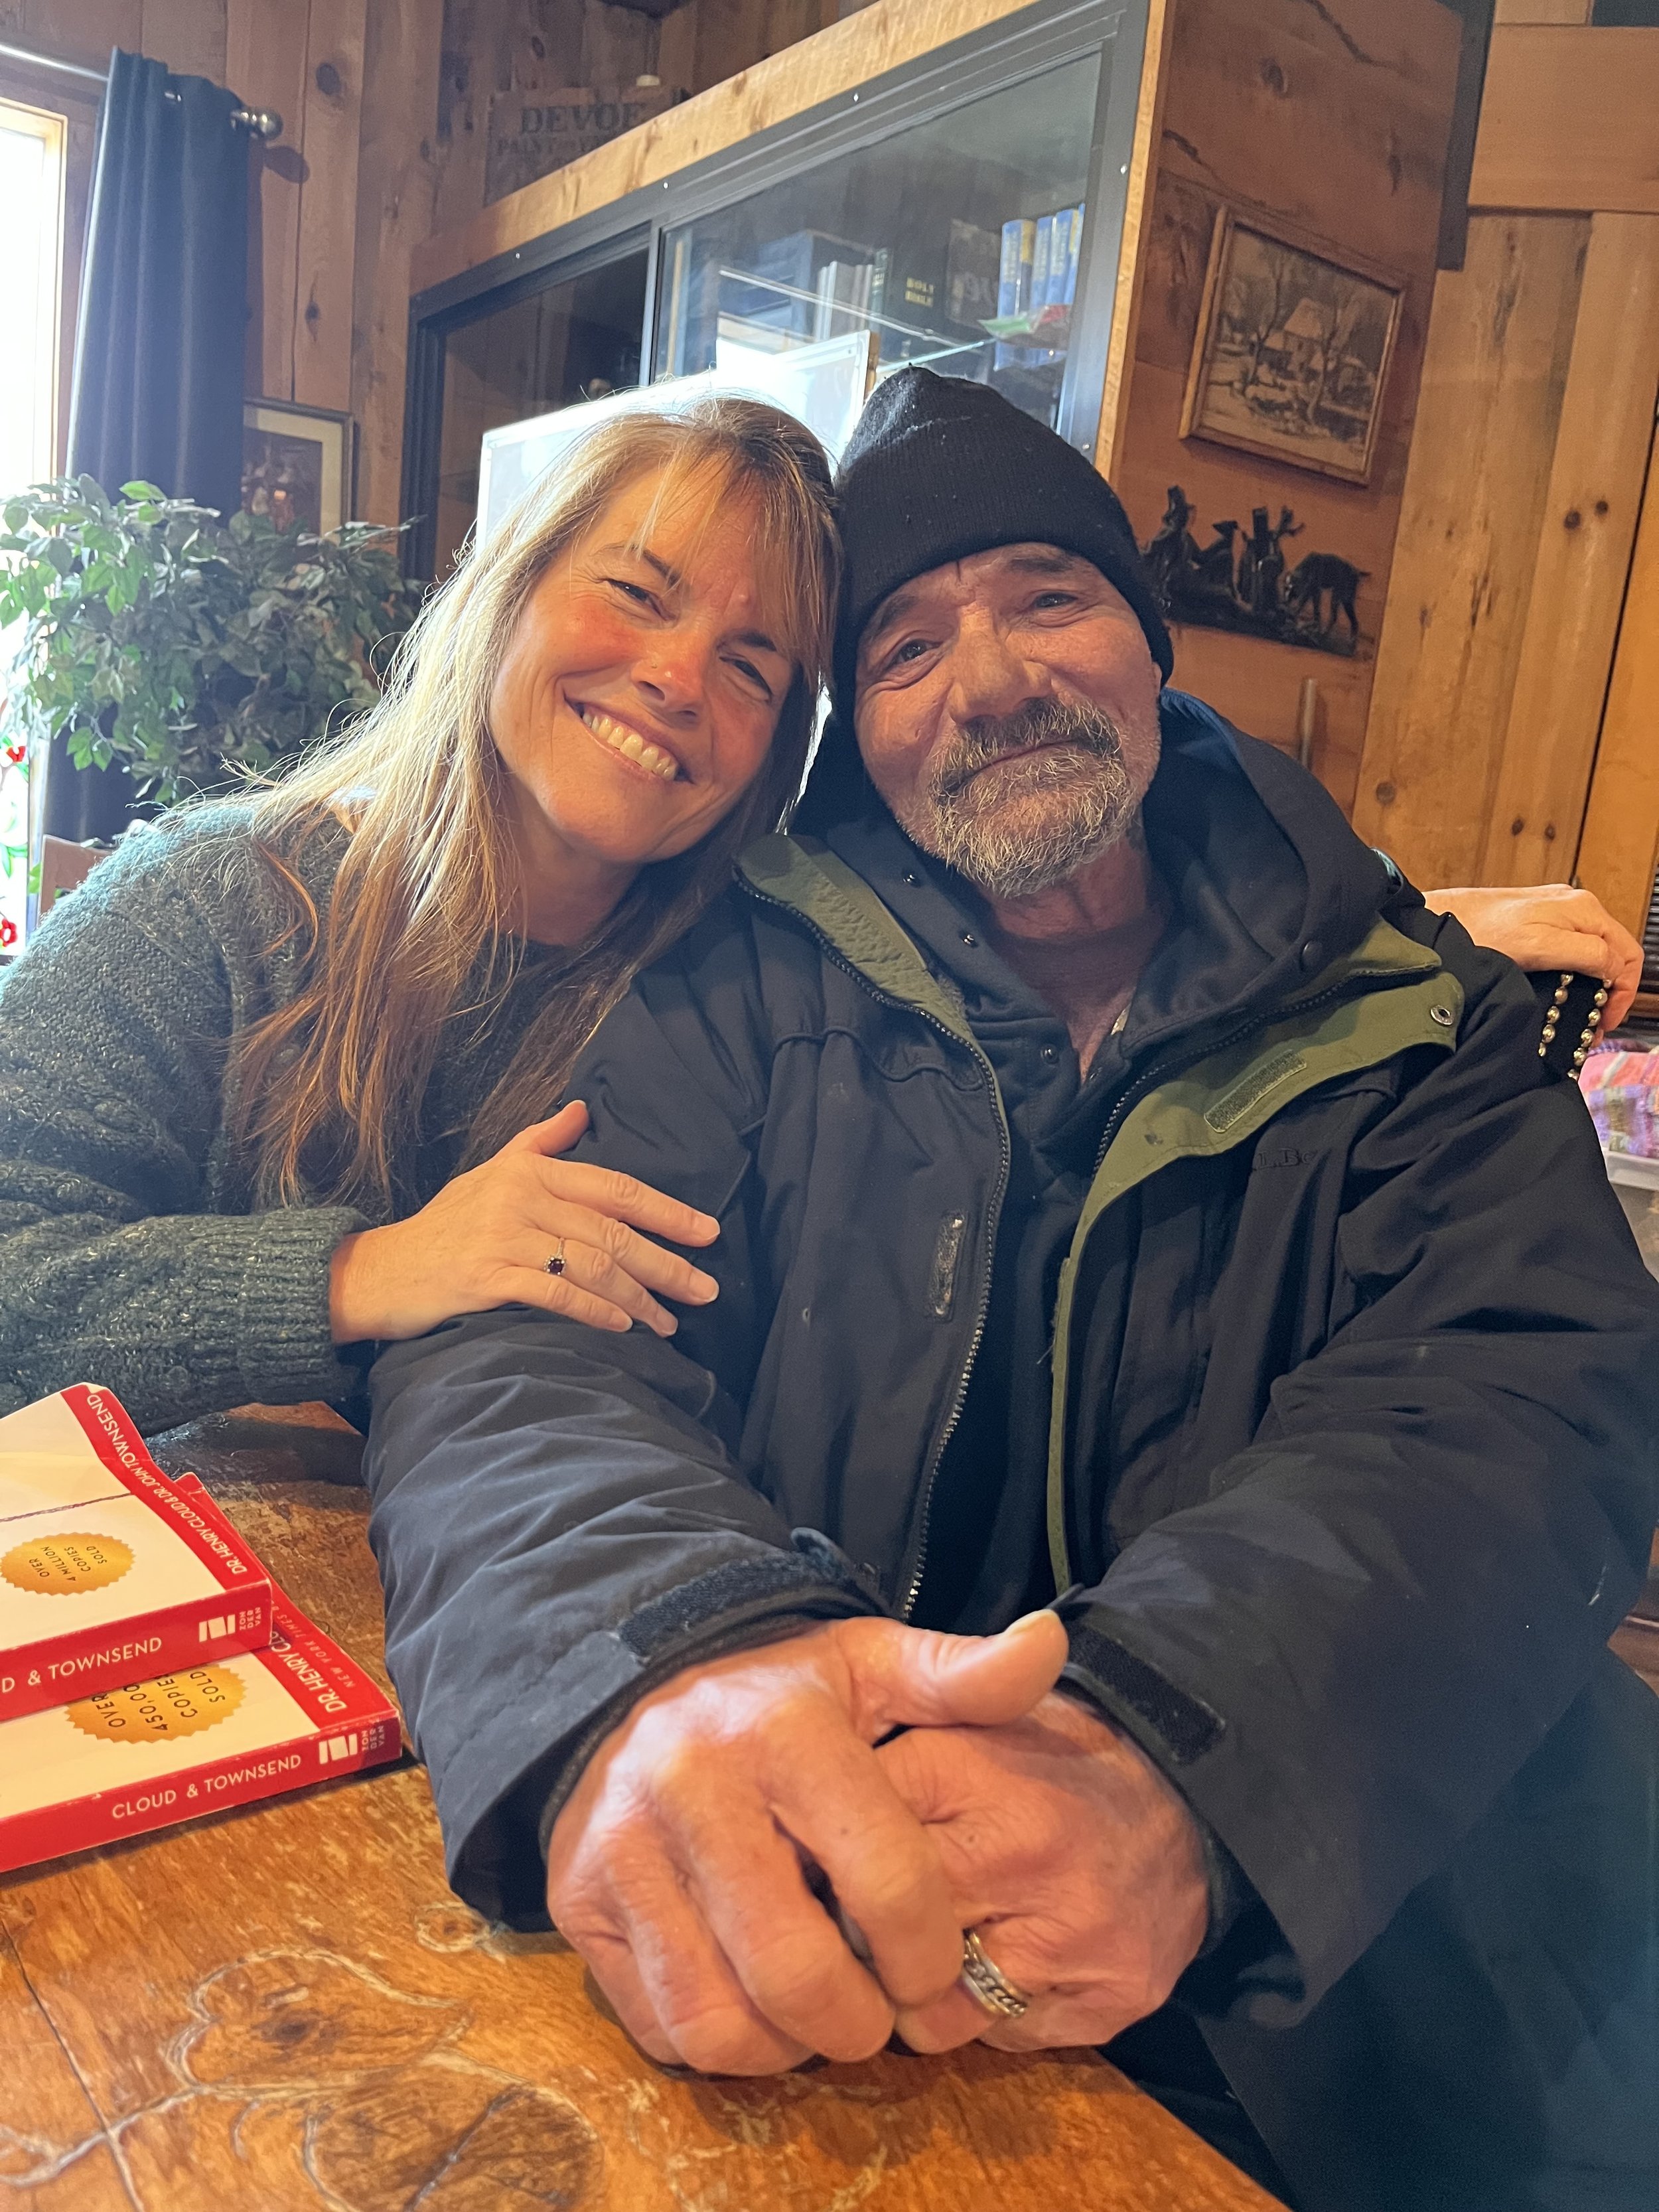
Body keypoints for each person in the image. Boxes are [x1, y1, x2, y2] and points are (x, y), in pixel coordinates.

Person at [365, 369, 1659, 2212]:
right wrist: (656, 1660)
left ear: (1145, 651)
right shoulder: (739, 983)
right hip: (854, 2003)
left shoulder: (1414, 1018)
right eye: (899, 647)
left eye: (1046, 599)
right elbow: (525, 1333)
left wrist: (1172, 1756)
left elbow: (1525, 1404)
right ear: (850, 740)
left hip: (1412, 2004)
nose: (987, 680)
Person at [0, 400, 838, 1432]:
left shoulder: (730, 1029)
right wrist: (363, 1272)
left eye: (749, 666)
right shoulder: (215, 898)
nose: (676, 678)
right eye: (634, 591)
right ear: (508, 589)